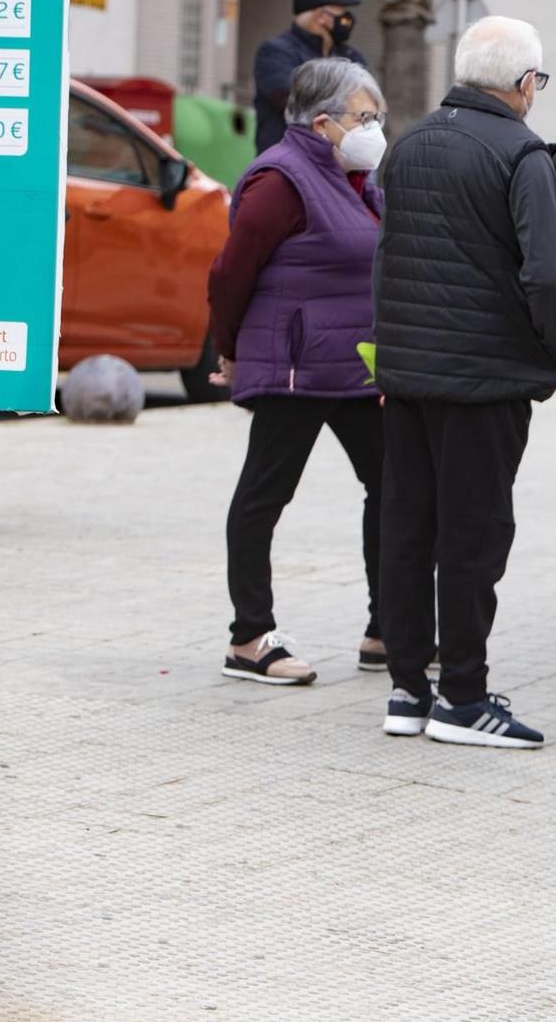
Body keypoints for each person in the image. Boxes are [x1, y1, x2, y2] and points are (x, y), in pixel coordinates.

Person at [373, 16, 556, 749]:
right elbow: (549, 272)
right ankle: (461, 695)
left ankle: (406, 689)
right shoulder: (521, 153)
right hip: (485, 381)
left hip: (410, 377)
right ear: (525, 84)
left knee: (407, 529)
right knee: (473, 536)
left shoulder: (410, 143)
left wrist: (390, 357)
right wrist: (553, 355)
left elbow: (386, 259)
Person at [209, 57, 388, 686]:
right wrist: (229, 350)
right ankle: (249, 637)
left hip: (354, 366)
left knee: (393, 487)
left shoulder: (357, 179)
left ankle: (386, 629)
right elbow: (231, 272)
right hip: (295, 366)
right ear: (322, 122)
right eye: (364, 117)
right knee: (265, 493)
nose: (374, 129)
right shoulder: (279, 181)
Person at [253, 0, 369, 154]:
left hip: (340, 158)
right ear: (321, 16)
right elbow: (296, 100)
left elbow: (366, 99)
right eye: (342, 15)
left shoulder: (350, 56)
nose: (347, 21)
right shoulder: (276, 53)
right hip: (288, 158)